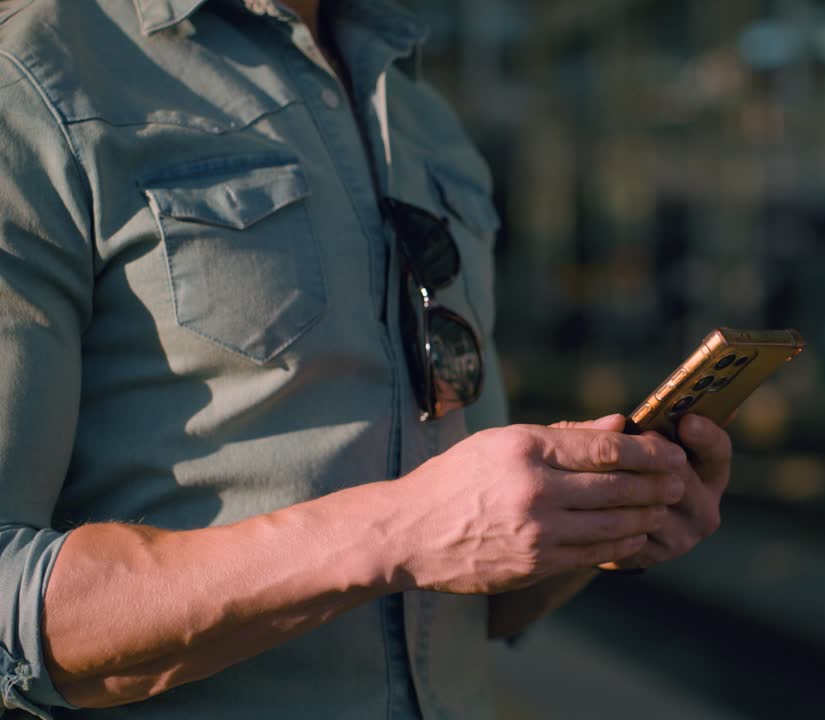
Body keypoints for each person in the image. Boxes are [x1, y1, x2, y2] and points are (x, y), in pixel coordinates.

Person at [0, 1, 731, 718]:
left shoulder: (422, 120)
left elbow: (468, 594)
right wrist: (401, 529)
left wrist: (601, 515)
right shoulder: (34, 81)